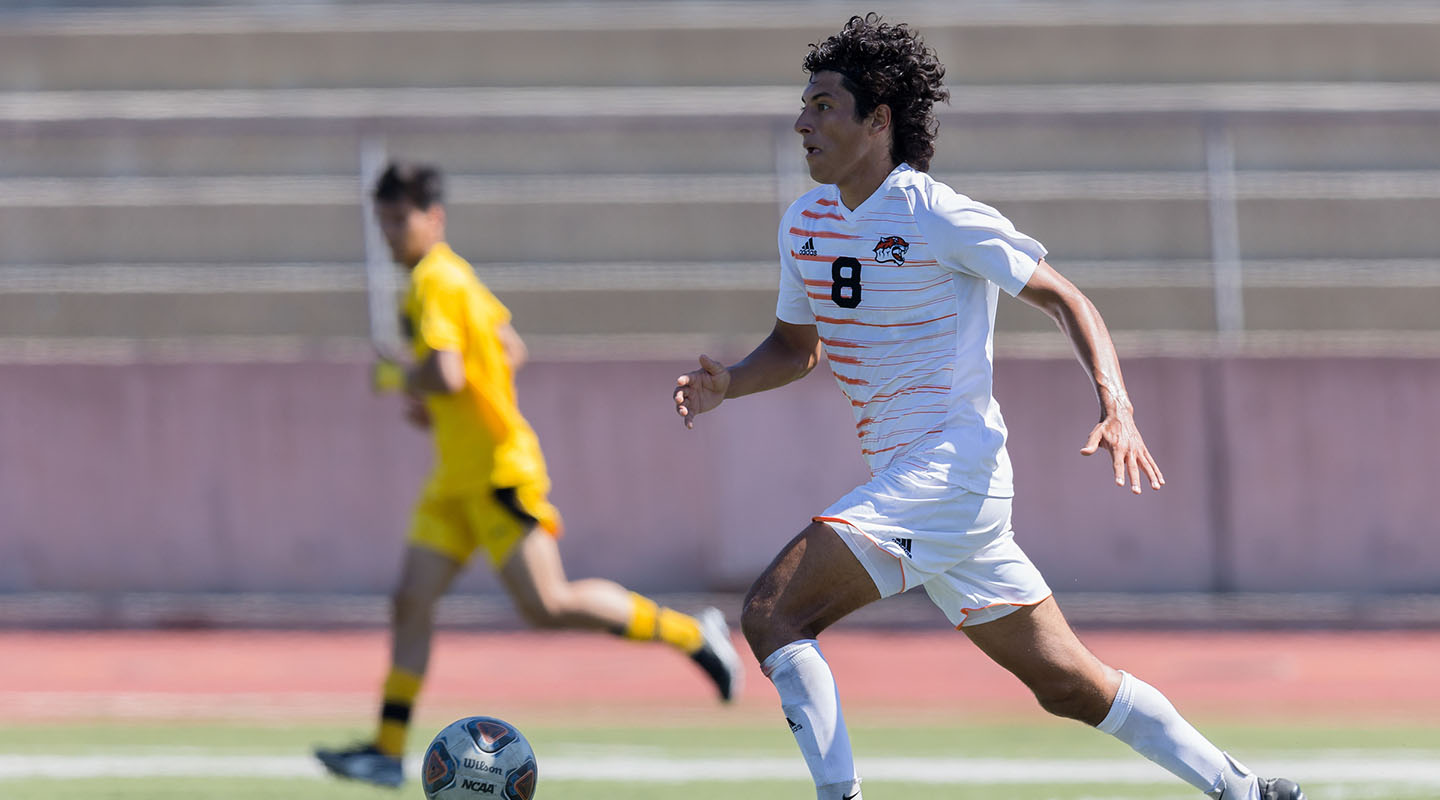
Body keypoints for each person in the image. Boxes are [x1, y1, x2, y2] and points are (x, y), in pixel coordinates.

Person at [672, 14, 1304, 800]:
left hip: (948, 471)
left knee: (773, 613)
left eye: (824, 105)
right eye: (804, 104)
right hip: (933, 489)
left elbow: (1067, 299)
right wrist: (730, 382)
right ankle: (1248, 792)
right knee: (1070, 686)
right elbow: (798, 348)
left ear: (878, 121)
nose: (803, 121)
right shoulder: (805, 223)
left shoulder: (936, 214)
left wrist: (1118, 404)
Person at [317, 161, 742, 788]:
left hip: (496, 473)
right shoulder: (454, 277)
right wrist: (451, 408)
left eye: (400, 218)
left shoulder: (435, 278)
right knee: (410, 601)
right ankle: (385, 749)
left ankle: (693, 635)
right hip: (455, 478)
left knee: (549, 604)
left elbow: (448, 373)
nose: (389, 232)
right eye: (382, 219)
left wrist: (401, 378)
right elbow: (509, 348)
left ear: (433, 219)